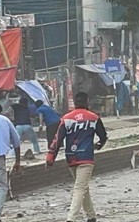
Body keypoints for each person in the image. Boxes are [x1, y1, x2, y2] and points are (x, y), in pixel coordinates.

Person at [46, 92, 107, 222]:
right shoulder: (94, 118)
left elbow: (57, 139)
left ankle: (91, 216)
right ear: (87, 102)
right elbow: (103, 136)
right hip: (86, 157)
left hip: (71, 157)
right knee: (80, 187)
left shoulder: (66, 118)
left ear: (75, 103)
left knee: (82, 186)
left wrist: (50, 159)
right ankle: (71, 218)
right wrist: (99, 145)